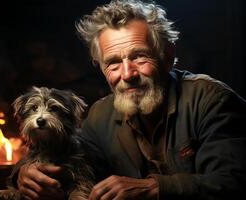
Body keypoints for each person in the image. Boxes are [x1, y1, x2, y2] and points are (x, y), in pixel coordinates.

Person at [14, 0, 246, 199]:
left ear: (167, 55)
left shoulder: (211, 100)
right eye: (113, 63)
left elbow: (233, 181)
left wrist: (155, 188)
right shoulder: (99, 116)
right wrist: (25, 175)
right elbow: (69, 161)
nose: (127, 74)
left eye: (140, 56)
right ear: (102, 68)